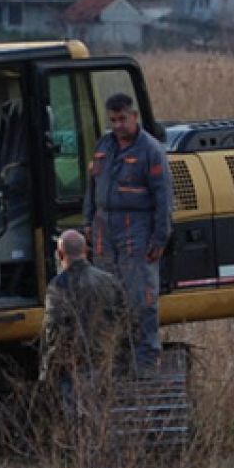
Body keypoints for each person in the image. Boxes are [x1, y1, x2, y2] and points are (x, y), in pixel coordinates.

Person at [83, 92, 172, 371]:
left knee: (139, 296)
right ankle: (116, 358)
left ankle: (146, 359)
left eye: (123, 119)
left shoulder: (151, 150)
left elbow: (164, 197)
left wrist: (160, 237)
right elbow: (92, 187)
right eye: (113, 120)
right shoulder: (104, 145)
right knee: (105, 295)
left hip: (137, 228)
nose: (118, 125)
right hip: (103, 229)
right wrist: (87, 223)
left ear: (135, 116)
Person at [40, 229, 130, 398]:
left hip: (74, 365)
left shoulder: (58, 286)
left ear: (60, 254)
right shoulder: (109, 281)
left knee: (77, 416)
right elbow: (126, 322)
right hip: (106, 362)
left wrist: (48, 370)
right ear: (86, 251)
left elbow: (54, 330)